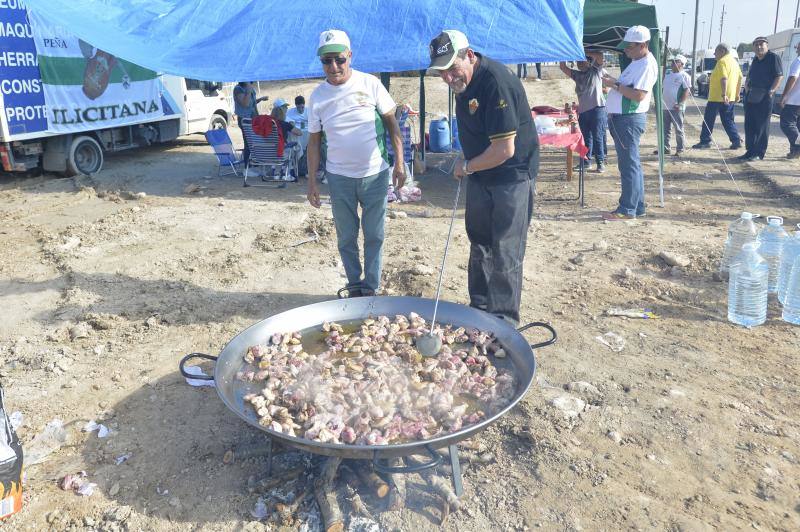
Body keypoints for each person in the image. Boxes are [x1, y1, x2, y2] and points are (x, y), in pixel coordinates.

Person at [428, 29, 538, 326]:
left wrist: (468, 166)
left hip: (510, 175)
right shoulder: (463, 84)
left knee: (506, 249)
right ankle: (479, 312)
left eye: (452, 68)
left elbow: (504, 149)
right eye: (441, 72)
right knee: (480, 243)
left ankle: (502, 323)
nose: (449, 78)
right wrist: (470, 163)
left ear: (470, 55)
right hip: (481, 173)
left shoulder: (495, 83)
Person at [306, 29, 405, 298]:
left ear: (349, 56)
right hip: (339, 178)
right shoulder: (317, 97)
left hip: (375, 175)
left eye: (339, 59)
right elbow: (313, 143)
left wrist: (400, 163)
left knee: (374, 235)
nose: (334, 67)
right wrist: (312, 182)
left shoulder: (370, 84)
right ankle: (354, 286)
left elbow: (392, 126)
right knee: (346, 238)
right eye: (327, 61)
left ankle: (370, 288)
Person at [600, 25, 658, 221]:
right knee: (632, 164)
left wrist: (613, 84)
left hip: (628, 119)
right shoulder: (637, 62)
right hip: (623, 119)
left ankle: (627, 209)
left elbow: (638, 95)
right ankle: (637, 205)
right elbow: (628, 88)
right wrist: (615, 82)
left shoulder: (646, 65)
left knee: (628, 165)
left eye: (629, 47)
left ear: (642, 45)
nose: (626, 50)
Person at [559, 50, 608, 172]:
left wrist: (581, 51)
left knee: (597, 137)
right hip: (584, 111)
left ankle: (600, 162)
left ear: (589, 61)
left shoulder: (595, 71)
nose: (579, 63)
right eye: (577, 61)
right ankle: (586, 162)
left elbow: (600, 55)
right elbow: (562, 67)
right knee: (586, 138)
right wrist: (565, 52)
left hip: (597, 110)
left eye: (581, 60)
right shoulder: (577, 75)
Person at [739, 37, 783, 161]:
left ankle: (759, 153)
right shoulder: (756, 60)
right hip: (752, 96)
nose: (759, 47)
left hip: (765, 96)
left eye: (761, 44)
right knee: (750, 124)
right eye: (756, 45)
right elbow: (750, 74)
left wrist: (772, 91)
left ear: (767, 45)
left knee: (762, 126)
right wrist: (747, 85)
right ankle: (750, 151)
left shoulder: (773, 58)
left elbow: (779, 76)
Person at [693, 43, 743, 150]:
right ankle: (736, 140)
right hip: (730, 97)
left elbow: (723, 78)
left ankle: (705, 141)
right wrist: (737, 94)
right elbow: (739, 78)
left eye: (716, 51)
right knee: (728, 120)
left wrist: (724, 94)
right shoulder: (734, 62)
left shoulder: (722, 62)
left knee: (708, 119)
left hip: (717, 97)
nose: (714, 54)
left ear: (723, 51)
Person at [658, 55, 691, 156]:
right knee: (665, 129)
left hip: (676, 107)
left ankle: (680, 149)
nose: (672, 63)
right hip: (665, 106)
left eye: (676, 61)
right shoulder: (667, 74)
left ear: (682, 64)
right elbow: (663, 88)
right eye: (672, 61)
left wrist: (680, 103)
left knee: (678, 128)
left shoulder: (685, 76)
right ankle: (666, 148)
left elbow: (686, 91)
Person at [233, 81, 269, 164]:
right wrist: (248, 90)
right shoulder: (238, 89)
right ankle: (247, 167)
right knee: (248, 142)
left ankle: (254, 163)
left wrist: (260, 99)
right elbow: (245, 104)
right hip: (245, 119)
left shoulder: (249, 87)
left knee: (255, 142)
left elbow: (250, 102)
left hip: (254, 119)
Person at [779, 41, 800, 159]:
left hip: (794, 99)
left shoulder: (798, 61)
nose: (796, 48)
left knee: (786, 124)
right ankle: (795, 151)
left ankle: (798, 146)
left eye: (798, 46)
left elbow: (793, 77)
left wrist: (784, 96)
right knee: (797, 125)